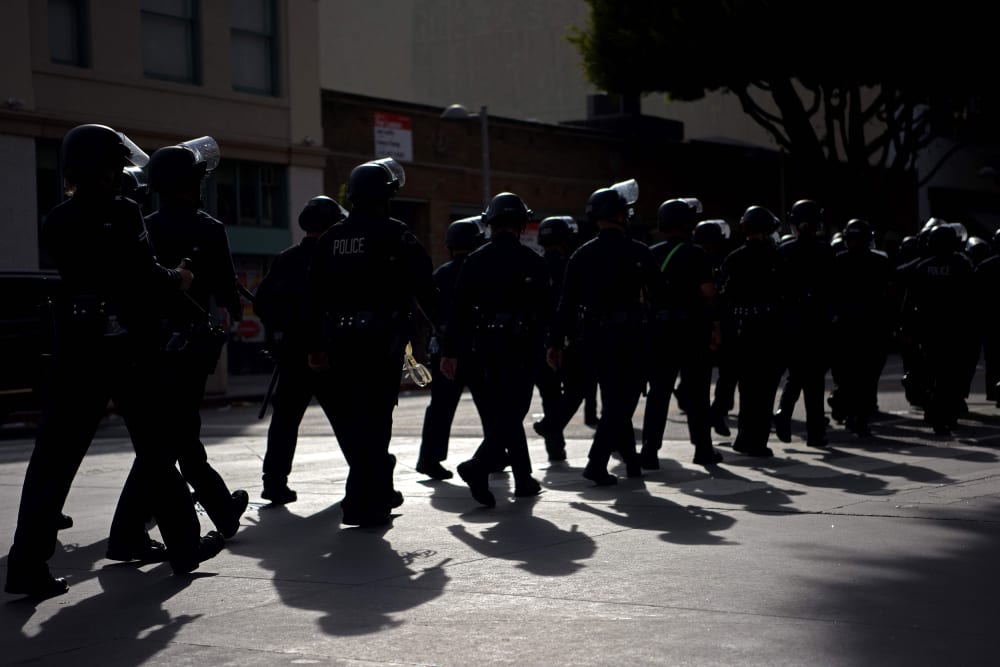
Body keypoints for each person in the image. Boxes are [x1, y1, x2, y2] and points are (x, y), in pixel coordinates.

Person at [5, 124, 222, 598]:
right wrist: (180, 278)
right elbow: (141, 276)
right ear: (107, 166)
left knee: (52, 462)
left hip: (75, 349)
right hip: (126, 350)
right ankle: (185, 547)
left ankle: (26, 565)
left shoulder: (57, 219)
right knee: (157, 448)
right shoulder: (124, 212)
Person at [107, 138, 249, 555]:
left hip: (145, 346)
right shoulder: (208, 227)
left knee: (174, 435)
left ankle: (222, 509)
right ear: (191, 183)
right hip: (186, 349)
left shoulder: (143, 224)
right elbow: (228, 296)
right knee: (172, 438)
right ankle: (128, 533)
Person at [307, 157, 434, 527]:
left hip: (339, 343)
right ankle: (361, 503)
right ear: (386, 195)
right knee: (375, 424)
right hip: (381, 343)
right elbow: (425, 285)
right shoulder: (395, 233)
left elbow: (314, 296)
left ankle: (373, 497)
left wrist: (316, 344)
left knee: (357, 421)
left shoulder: (331, 238)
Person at [441, 193, 551, 507]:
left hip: (483, 348)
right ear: (520, 224)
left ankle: (524, 479)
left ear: (490, 224)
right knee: (513, 412)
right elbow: (545, 311)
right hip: (521, 347)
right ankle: (478, 466)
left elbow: (458, 310)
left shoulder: (476, 260)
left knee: (504, 414)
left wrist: (451, 353)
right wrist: (553, 345)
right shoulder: (533, 260)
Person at [546, 180, 658, 485]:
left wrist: (555, 343)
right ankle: (597, 463)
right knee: (623, 402)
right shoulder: (639, 252)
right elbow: (659, 297)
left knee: (613, 401)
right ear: (622, 215)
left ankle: (631, 462)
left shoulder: (582, 254)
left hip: (593, 337)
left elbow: (566, 304)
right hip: (631, 336)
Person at [254, 195, 349, 502]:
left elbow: (262, 305)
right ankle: (370, 481)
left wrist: (285, 335)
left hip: (292, 354)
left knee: (284, 421)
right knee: (347, 421)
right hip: (327, 354)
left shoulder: (286, 258)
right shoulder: (335, 258)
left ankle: (274, 481)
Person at [641, 198, 724, 468]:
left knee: (658, 393)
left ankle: (650, 452)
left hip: (658, 331)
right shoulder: (697, 254)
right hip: (691, 331)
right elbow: (708, 292)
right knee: (697, 394)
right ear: (688, 224)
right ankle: (702, 450)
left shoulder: (650, 253)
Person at [415, 217, 485, 480]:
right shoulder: (479, 270)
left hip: (442, 349)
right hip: (476, 348)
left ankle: (429, 458)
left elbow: (427, 310)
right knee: (489, 405)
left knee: (441, 407)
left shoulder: (440, 274)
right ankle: (495, 454)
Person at [718, 205, 788, 458]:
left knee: (747, 387)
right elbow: (786, 294)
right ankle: (757, 441)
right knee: (765, 388)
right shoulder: (777, 256)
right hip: (769, 328)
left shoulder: (734, 257)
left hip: (741, 329)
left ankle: (743, 437)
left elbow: (722, 296)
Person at [898, 223, 976, 434]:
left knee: (931, 375)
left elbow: (909, 301)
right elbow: (972, 301)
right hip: (954, 331)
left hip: (928, 331)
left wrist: (906, 329)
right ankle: (946, 416)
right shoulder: (963, 264)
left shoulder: (923, 267)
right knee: (950, 377)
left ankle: (934, 413)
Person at [772, 199, 835, 447]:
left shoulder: (784, 251)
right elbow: (832, 288)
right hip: (817, 321)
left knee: (796, 373)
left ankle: (785, 412)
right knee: (814, 379)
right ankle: (815, 432)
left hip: (790, 321)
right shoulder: (826, 250)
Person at [829, 219, 893, 437]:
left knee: (848, 375)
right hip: (870, 326)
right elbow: (888, 295)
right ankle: (859, 415)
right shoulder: (880, 261)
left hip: (847, 326)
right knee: (866, 376)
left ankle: (849, 410)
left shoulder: (839, 260)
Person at [531, 215, 575, 461]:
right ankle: (552, 430)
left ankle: (555, 448)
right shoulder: (570, 265)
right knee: (578, 388)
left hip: (536, 339)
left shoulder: (532, 264)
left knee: (549, 393)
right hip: (566, 338)